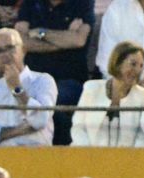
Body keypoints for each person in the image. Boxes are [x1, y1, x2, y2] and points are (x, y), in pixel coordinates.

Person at [14, 0, 92, 144]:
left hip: (69, 79)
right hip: (34, 80)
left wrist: (40, 32)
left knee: (50, 106)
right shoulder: (30, 3)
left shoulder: (82, 3)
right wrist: (65, 40)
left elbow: (79, 40)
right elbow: (20, 42)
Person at [0, 28, 57, 146]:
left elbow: (40, 120)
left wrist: (17, 88)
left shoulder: (43, 81)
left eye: (10, 48)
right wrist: (22, 129)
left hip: (36, 155)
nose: (5, 54)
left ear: (23, 50)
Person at [72, 41, 144, 146]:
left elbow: (143, 137)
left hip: (126, 159)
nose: (138, 70)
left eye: (141, 66)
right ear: (117, 63)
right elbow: (78, 128)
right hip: (88, 156)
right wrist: (90, 155)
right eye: (133, 64)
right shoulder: (91, 88)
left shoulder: (143, 95)